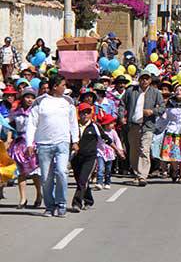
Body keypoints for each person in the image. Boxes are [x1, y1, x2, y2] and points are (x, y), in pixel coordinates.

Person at [25, 75, 79, 217]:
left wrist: (75, 141)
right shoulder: (40, 102)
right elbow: (31, 124)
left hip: (62, 143)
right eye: (63, 85)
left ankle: (61, 204)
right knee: (46, 178)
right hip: (44, 144)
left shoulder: (68, 101)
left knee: (61, 172)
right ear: (55, 86)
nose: (65, 88)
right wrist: (29, 143)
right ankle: (50, 206)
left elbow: (73, 122)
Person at [118, 69, 165, 187]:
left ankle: (142, 176)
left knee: (144, 149)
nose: (144, 80)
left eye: (147, 78)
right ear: (139, 79)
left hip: (147, 126)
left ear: (150, 80)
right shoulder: (130, 91)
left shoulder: (155, 93)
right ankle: (136, 173)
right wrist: (121, 117)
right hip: (133, 125)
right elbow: (122, 104)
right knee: (134, 151)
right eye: (142, 78)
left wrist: (152, 111)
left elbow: (163, 107)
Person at [71, 102, 121, 212]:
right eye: (83, 113)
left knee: (83, 180)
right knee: (80, 180)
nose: (85, 115)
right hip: (76, 158)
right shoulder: (73, 126)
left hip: (90, 158)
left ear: (91, 114)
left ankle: (76, 203)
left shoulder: (95, 126)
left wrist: (117, 150)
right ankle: (89, 200)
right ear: (79, 114)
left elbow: (106, 138)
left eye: (87, 112)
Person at [7, 87, 42, 208]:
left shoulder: (37, 112)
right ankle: (23, 199)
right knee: (20, 172)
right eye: (27, 97)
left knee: (34, 173)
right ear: (22, 98)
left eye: (32, 97)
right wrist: (8, 139)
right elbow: (9, 126)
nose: (30, 100)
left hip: (33, 144)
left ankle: (39, 195)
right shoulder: (16, 113)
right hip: (19, 145)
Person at [157, 84, 181, 183]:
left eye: (180, 90)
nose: (178, 91)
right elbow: (164, 116)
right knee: (173, 153)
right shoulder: (170, 102)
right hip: (172, 130)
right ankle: (175, 170)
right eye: (176, 90)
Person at [95, 113, 124, 190]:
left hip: (110, 153)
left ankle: (107, 182)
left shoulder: (113, 132)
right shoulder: (100, 132)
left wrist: (120, 149)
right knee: (100, 168)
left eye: (112, 123)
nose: (112, 125)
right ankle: (99, 182)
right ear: (105, 124)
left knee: (108, 169)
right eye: (110, 123)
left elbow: (117, 140)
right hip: (100, 152)